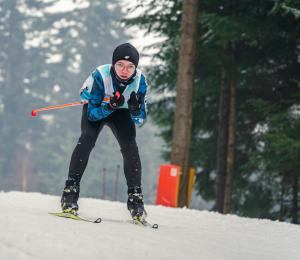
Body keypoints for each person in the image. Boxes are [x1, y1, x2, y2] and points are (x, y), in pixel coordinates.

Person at [60, 43, 147, 221]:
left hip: (121, 111)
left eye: (131, 66)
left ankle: (135, 198)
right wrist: (109, 107)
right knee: (87, 138)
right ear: (113, 64)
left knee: (130, 143)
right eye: (120, 65)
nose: (125, 70)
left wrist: (135, 110)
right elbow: (92, 116)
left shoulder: (140, 81)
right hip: (98, 107)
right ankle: (70, 191)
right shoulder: (101, 76)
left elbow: (140, 119)